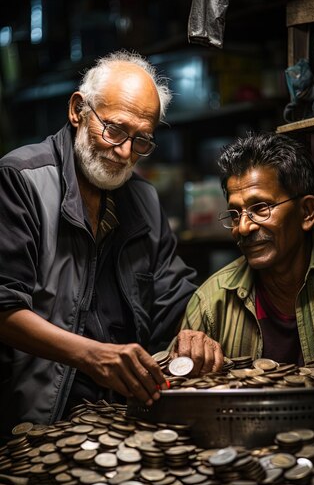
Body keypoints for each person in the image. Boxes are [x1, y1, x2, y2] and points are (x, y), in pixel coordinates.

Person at [0, 49, 222, 442]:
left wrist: (194, 332)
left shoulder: (143, 200)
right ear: (78, 111)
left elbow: (174, 298)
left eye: (141, 141)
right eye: (115, 130)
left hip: (124, 421)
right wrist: (93, 355)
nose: (123, 152)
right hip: (34, 422)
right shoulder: (22, 180)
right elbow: (4, 308)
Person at [174, 131, 314, 366]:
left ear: (306, 212)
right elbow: (172, 382)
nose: (243, 228)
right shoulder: (211, 302)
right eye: (235, 214)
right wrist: (185, 354)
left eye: (260, 208)